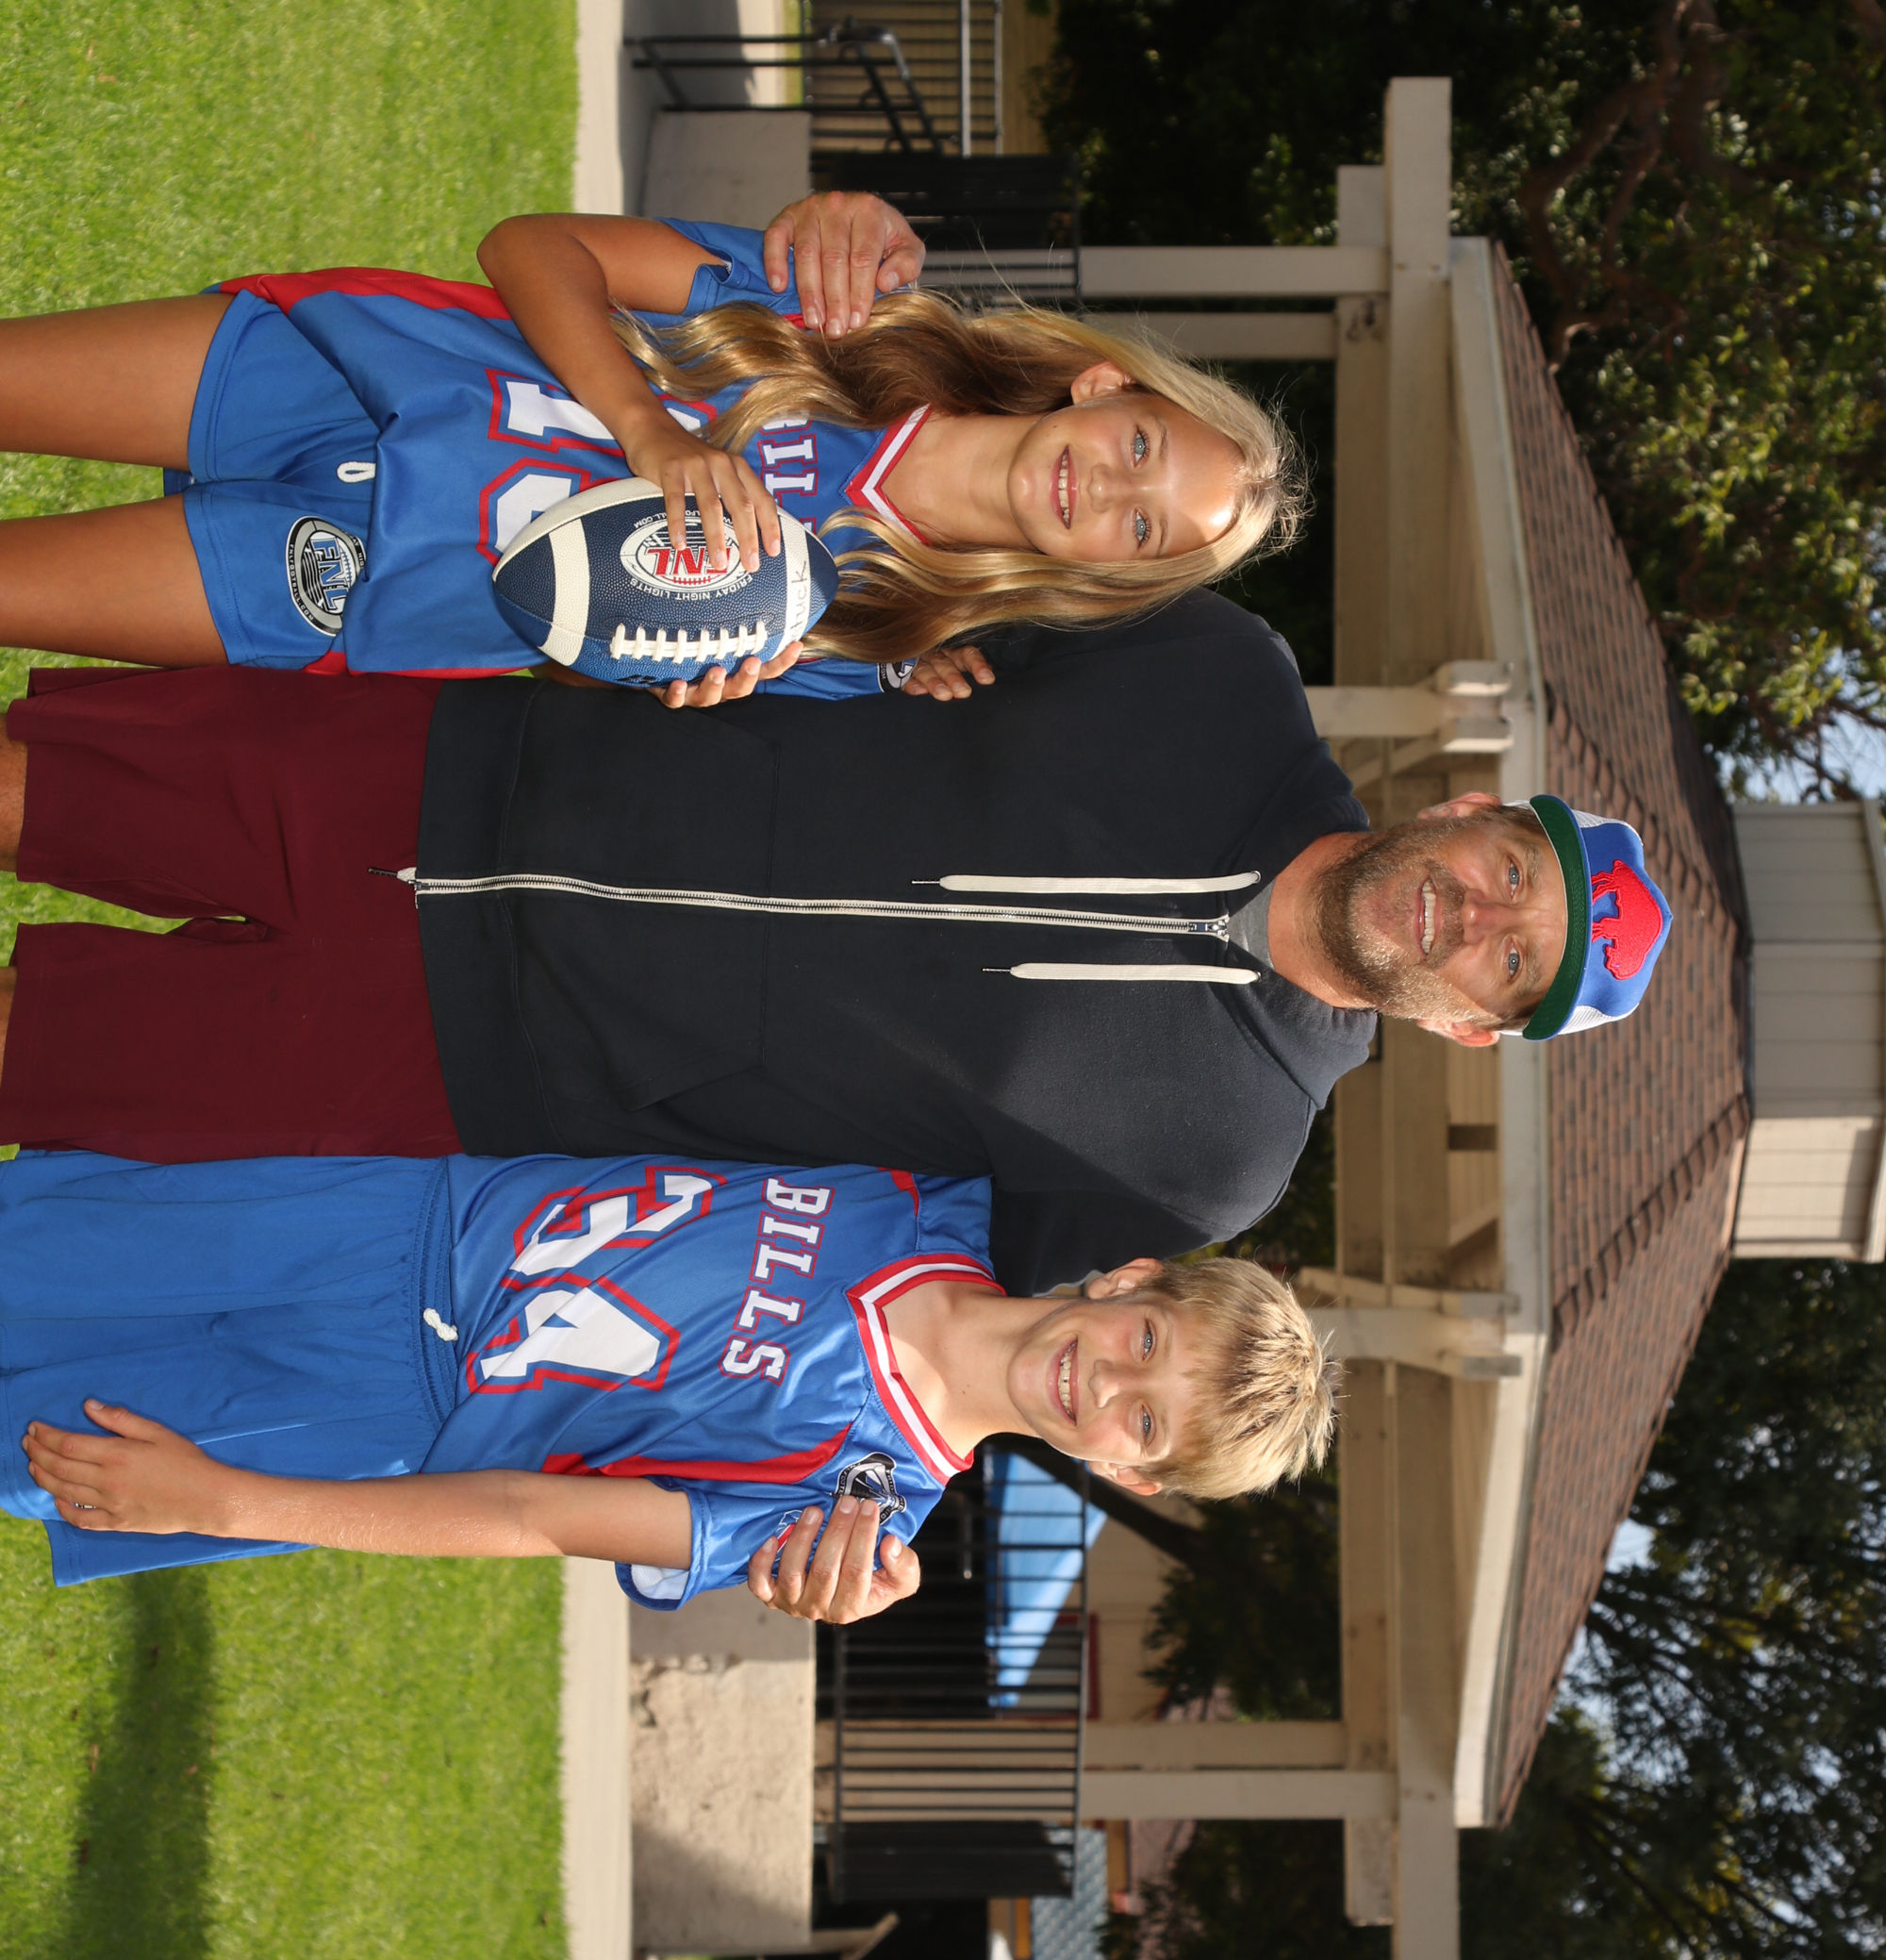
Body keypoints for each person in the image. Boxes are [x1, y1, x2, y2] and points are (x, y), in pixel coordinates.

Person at [0, 607, 1673, 1290]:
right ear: (1472, 809)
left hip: (469, 1064)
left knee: (34, 1061)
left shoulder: (1210, 1171)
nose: (1476, 919)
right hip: (484, 763)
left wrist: (847, 1509)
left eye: (1510, 965)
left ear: (1472, 1029)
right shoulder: (1222, 674)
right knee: (35, 787)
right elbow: (905, 559)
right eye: (1507, 872)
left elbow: (915, 1308)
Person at [0, 200, 1296, 705]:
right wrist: (649, 429)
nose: (1106, 486)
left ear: (1111, 572)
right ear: (1104, 384)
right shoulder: (851, 315)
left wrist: (654, 688)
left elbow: (567, 677)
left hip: (362, 580)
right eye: (1139, 445)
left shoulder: (870, 637)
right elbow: (527, 246)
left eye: (1139, 524)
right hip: (341, 371)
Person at [2, 1150, 1333, 1625]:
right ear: (1131, 1280)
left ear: (1124, 1471)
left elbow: (530, 1516)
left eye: (1144, 1418)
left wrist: (227, 1504)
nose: (1108, 1377)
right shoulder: (939, 1192)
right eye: (1146, 1339)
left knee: (35, 1437)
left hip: (376, 1410)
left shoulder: (847, 1517)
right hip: (383, 1216)